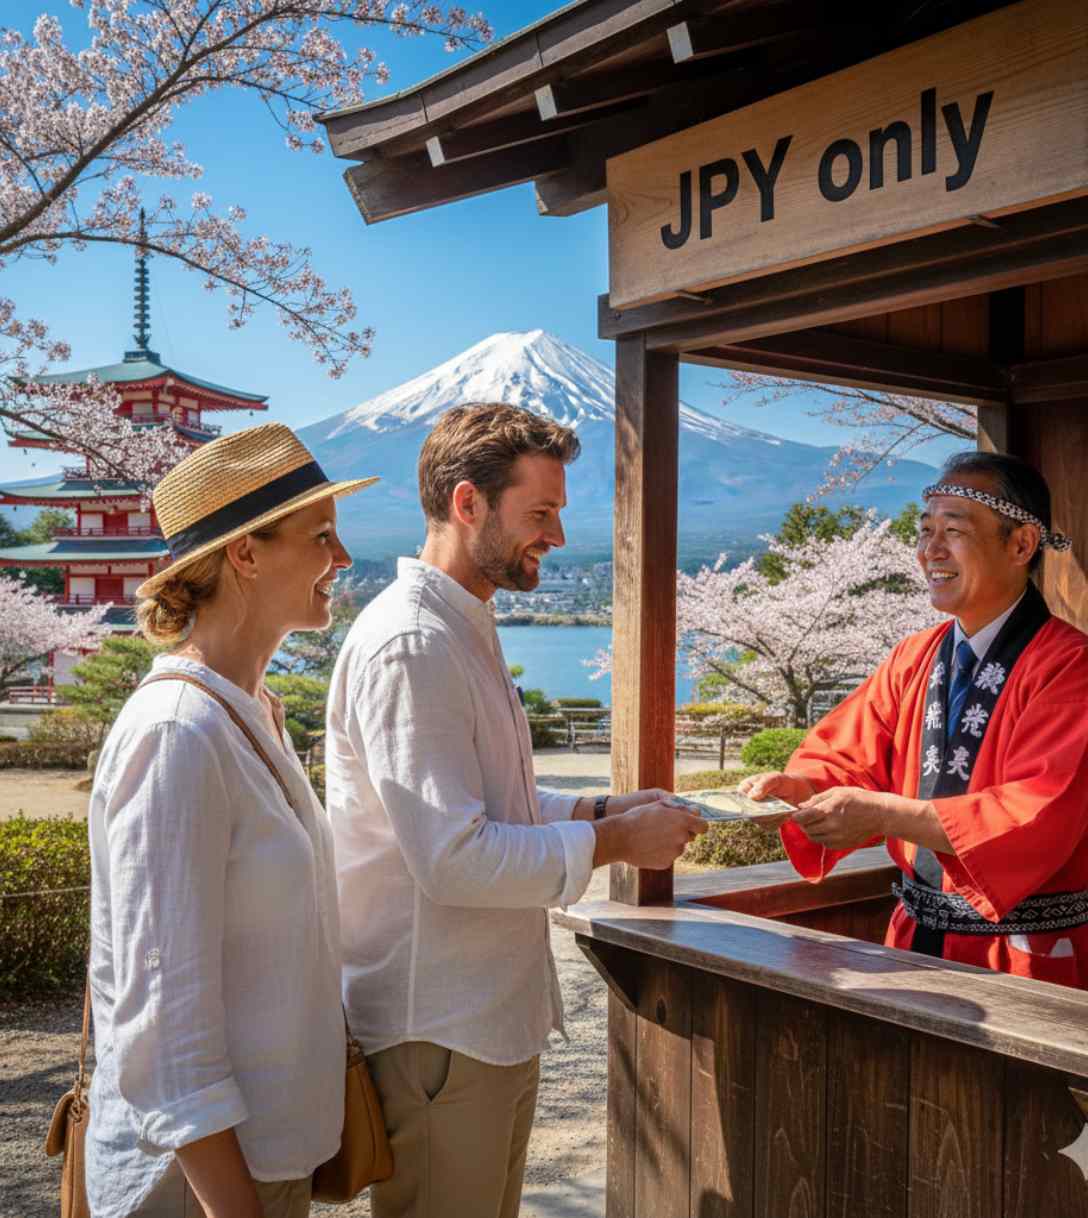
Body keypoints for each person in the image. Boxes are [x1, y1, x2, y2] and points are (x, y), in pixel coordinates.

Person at [326, 402, 706, 1218]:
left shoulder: (457, 624)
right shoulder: (415, 644)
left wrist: (603, 806)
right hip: (438, 1028)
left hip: (473, 1021)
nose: (557, 536)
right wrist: (615, 839)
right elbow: (454, 858)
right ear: (468, 503)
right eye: (540, 513)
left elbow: (496, 802)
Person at [86, 423, 374, 1218]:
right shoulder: (178, 733)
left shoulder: (248, 713)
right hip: (199, 1184)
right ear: (245, 553)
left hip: (256, 1161)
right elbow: (161, 1016)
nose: (344, 559)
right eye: (322, 536)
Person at [741, 450, 1088, 988]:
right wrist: (800, 790)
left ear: (1021, 545)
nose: (931, 551)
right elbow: (849, 756)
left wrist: (885, 815)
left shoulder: (1070, 666)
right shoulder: (913, 656)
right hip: (911, 941)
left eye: (954, 531)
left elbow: (1035, 812)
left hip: (1025, 954)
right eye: (925, 531)